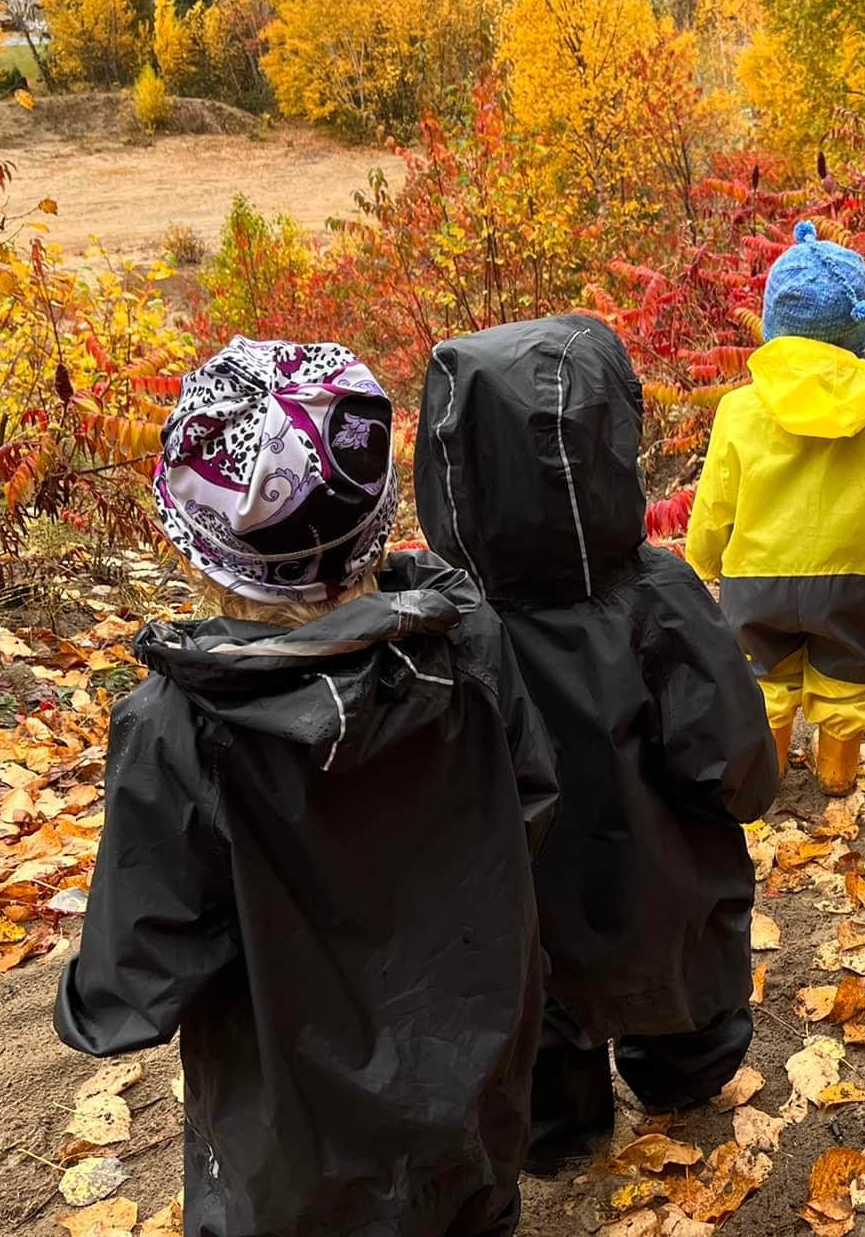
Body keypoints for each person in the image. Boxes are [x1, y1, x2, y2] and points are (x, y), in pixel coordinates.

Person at [55, 338, 557, 1237]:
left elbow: (130, 990)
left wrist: (84, 1000)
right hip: (475, 1075)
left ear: (200, 551)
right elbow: (530, 805)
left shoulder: (178, 729)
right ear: (379, 515)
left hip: (293, 1149)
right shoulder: (465, 641)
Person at [417, 314, 779, 1174]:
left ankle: (559, 1136)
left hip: (526, 899)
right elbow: (731, 752)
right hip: (667, 874)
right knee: (685, 975)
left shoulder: (448, 626)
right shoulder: (658, 595)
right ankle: (685, 1081)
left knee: (540, 1013)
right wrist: (745, 790)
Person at [687, 222, 865, 795]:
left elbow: (715, 498)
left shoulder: (739, 410)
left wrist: (702, 558)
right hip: (852, 581)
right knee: (847, 673)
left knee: (763, 676)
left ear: (774, 324)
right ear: (859, 330)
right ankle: (837, 771)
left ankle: (770, 766)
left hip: (755, 579)